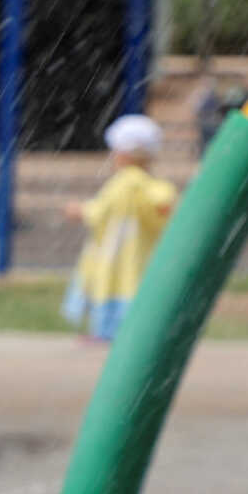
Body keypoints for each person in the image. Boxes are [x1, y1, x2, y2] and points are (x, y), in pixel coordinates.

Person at [61, 113, 179, 343]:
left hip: (114, 253)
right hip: (141, 255)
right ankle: (130, 334)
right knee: (136, 290)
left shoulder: (123, 183)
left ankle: (106, 332)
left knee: (110, 288)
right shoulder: (154, 186)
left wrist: (79, 211)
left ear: (123, 154)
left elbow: (100, 211)